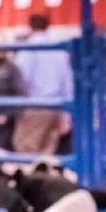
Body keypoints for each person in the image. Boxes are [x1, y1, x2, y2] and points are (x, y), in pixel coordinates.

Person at [12, 14, 73, 155]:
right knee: (47, 153)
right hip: (55, 106)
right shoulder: (59, 50)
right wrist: (66, 115)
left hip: (34, 106)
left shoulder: (28, 49)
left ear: (30, 27)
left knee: (25, 150)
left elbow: (22, 79)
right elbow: (67, 82)